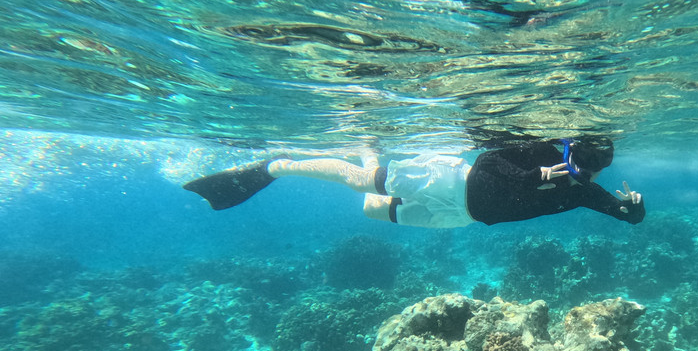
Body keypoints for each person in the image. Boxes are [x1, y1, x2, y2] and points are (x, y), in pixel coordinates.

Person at [183, 136, 645, 228]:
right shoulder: (542, 150)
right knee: (361, 182)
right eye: (579, 165)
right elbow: (486, 161)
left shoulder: (585, 189)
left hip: (462, 217)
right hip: (448, 180)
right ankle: (272, 167)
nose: (581, 177)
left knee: (370, 209)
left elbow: (627, 218)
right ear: (569, 149)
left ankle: (368, 148)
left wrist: (634, 208)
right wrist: (534, 173)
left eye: (591, 173)